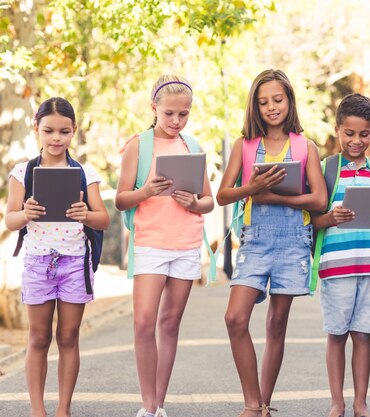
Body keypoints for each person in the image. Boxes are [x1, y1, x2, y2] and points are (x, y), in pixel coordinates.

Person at [216, 69, 326, 417]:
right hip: (256, 240)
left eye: (278, 100)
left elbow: (320, 200)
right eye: (263, 102)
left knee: (277, 323)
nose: (271, 107)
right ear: (255, 107)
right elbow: (222, 195)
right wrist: (251, 190)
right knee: (235, 318)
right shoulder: (244, 145)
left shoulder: (304, 146)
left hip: (293, 241)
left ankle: (261, 404)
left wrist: (276, 198)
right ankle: (252, 402)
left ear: (289, 101)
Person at [115, 75, 214, 417]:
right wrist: (146, 191)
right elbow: (121, 200)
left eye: (183, 114)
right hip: (151, 244)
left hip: (186, 245)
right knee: (144, 323)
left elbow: (209, 201)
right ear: (153, 108)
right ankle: (146, 405)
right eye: (169, 113)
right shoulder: (138, 146)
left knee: (169, 324)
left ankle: (159, 405)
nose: (176, 121)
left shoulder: (193, 146)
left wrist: (193, 203)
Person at [5, 97, 110, 417]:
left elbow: (103, 219)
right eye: (48, 130)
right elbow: (9, 220)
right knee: (38, 337)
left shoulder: (84, 173)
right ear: (36, 129)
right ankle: (38, 410)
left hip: (74, 263)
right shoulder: (23, 172)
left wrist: (85, 214)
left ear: (73, 131)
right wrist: (25, 213)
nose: (56, 138)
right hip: (38, 263)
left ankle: (64, 409)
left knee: (68, 337)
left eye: (64, 132)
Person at [310, 93, 370, 417]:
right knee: (336, 334)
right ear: (337, 130)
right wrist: (330, 218)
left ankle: (360, 403)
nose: (356, 140)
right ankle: (337, 402)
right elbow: (312, 220)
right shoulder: (325, 170)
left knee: (363, 335)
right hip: (336, 269)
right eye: (349, 133)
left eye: (364, 134)